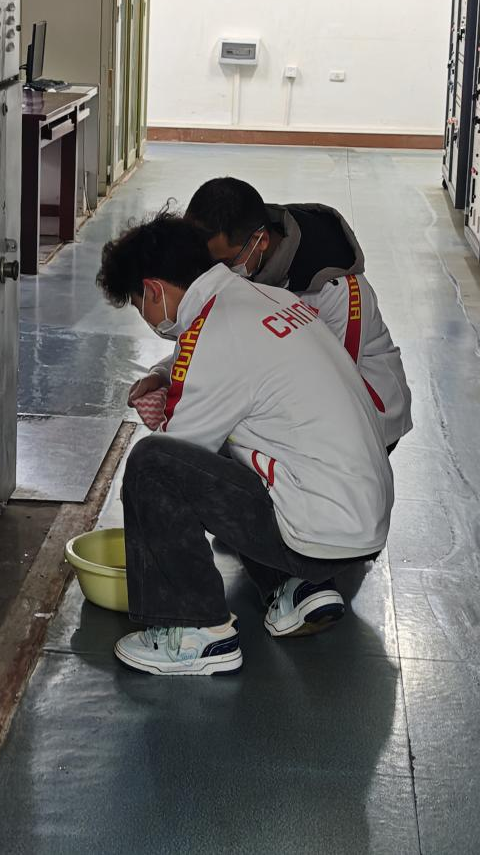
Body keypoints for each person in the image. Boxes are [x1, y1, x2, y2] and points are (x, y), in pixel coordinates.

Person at [97, 212, 394, 676]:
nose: (149, 319)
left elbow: (179, 457)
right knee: (237, 440)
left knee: (152, 464)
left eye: (140, 306)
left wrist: (167, 411)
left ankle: (194, 631)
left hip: (321, 533)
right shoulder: (266, 296)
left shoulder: (212, 332)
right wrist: (168, 378)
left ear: (154, 290)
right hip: (360, 519)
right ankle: (295, 588)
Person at [179, 177, 413, 451]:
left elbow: (337, 383)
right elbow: (214, 334)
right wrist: (167, 371)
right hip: (291, 394)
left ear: (260, 241)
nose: (217, 273)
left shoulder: (337, 289)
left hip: (366, 417)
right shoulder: (244, 260)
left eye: (225, 262)